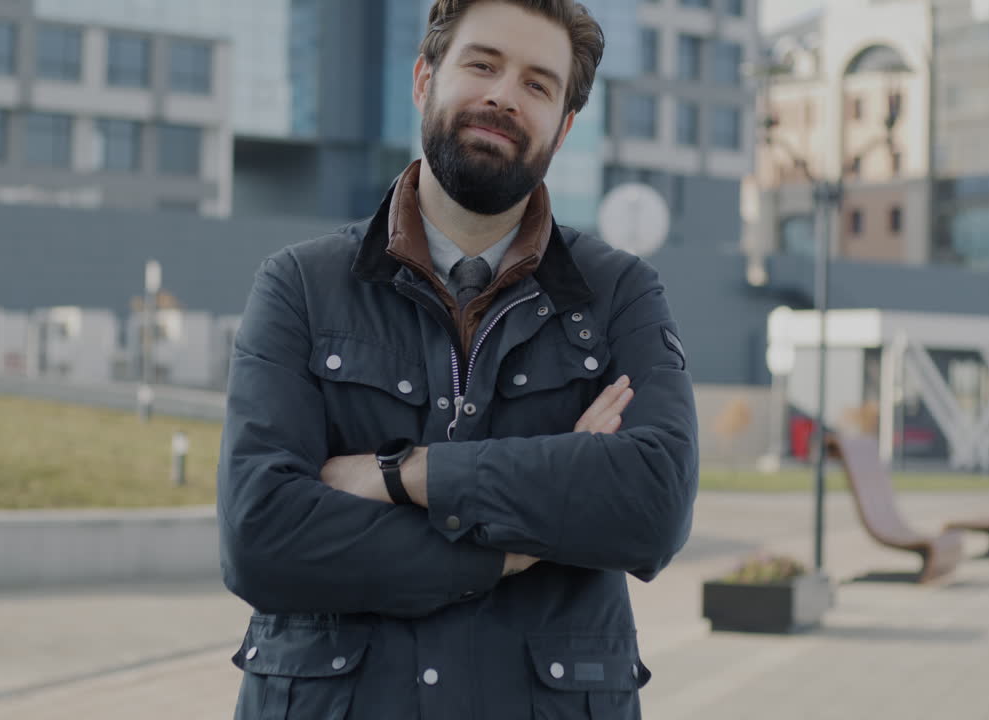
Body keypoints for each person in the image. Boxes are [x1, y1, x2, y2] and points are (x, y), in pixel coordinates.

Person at [217, 1, 698, 717]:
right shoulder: (299, 285)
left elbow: (652, 506)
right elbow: (260, 536)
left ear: (564, 128)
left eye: (538, 85)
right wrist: (509, 548)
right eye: (482, 64)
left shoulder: (619, 293)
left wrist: (401, 475)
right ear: (423, 79)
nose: (504, 95)